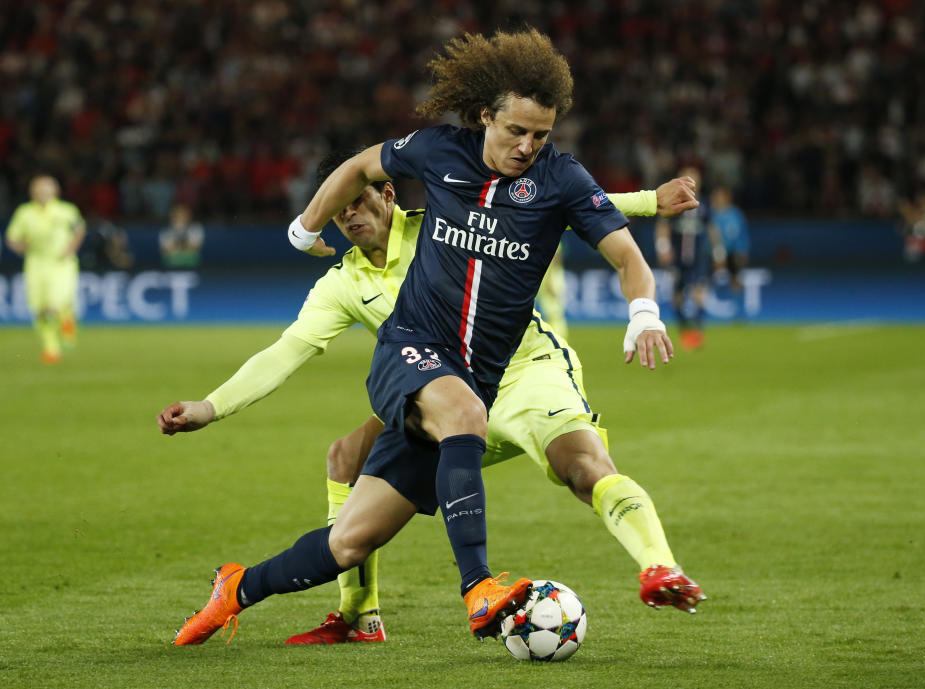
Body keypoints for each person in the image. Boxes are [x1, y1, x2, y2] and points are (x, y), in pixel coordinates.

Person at [170, 28, 700, 647]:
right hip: (411, 351)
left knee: (349, 541)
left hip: (485, 374)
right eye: (515, 132)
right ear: (484, 117)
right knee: (458, 414)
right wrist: (303, 226)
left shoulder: (559, 181)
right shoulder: (436, 154)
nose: (528, 146)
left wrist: (644, 313)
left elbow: (622, 250)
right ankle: (478, 586)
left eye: (541, 135)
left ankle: (235, 587)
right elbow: (359, 164)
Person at [4, 175, 86, 363]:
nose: (42, 193)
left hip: (61, 263)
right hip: (35, 264)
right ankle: (51, 348)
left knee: (52, 305)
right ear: (32, 192)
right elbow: (12, 238)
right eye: (38, 189)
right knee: (39, 309)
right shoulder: (24, 213)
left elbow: (79, 229)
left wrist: (71, 248)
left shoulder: (66, 211)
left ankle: (66, 319)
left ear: (54, 191)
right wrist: (21, 248)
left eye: (46, 189)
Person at [654, 165, 718, 350]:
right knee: (678, 295)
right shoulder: (673, 203)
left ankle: (697, 331)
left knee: (699, 292)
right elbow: (663, 226)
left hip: (698, 257)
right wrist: (663, 248)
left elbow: (712, 229)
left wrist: (718, 252)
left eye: (694, 179)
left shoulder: (703, 204)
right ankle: (684, 330)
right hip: (678, 257)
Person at [708, 186, 749, 291]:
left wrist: (742, 251)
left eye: (720, 196)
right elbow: (709, 237)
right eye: (716, 196)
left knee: (737, 260)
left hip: (733, 253)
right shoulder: (710, 214)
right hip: (713, 252)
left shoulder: (736, 214)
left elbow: (742, 236)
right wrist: (718, 252)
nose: (718, 199)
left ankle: (735, 286)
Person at [535, 247, 569, 339]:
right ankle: (557, 337)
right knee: (553, 314)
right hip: (546, 277)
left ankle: (557, 337)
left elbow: (555, 258)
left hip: (549, 277)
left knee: (554, 313)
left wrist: (550, 281)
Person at [158, 203, 204, 268]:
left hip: (193, 266)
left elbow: (194, 248)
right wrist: (185, 249)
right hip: (170, 266)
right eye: (177, 215)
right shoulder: (165, 231)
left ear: (189, 216)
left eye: (183, 214)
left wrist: (177, 249)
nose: (181, 217)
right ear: (172, 216)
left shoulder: (196, 228)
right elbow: (168, 251)